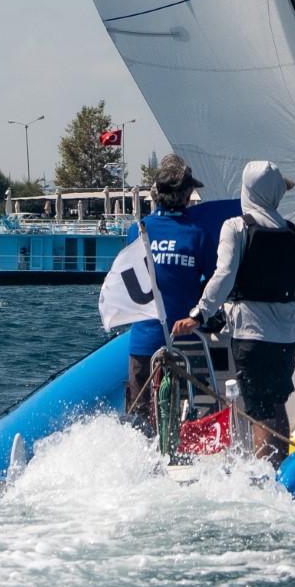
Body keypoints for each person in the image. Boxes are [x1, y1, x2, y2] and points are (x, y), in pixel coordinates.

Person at [172, 161, 295, 468]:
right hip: (286, 337)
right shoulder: (294, 232)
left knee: (259, 412)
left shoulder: (235, 227)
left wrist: (198, 314)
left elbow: (223, 278)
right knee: (278, 405)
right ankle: (282, 471)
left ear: (247, 190)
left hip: (251, 336)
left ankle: (266, 480)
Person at [125, 154, 216, 428]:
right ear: (187, 195)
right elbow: (216, 282)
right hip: (186, 339)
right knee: (192, 412)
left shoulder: (137, 230)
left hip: (142, 339)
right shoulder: (197, 234)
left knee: (138, 419)